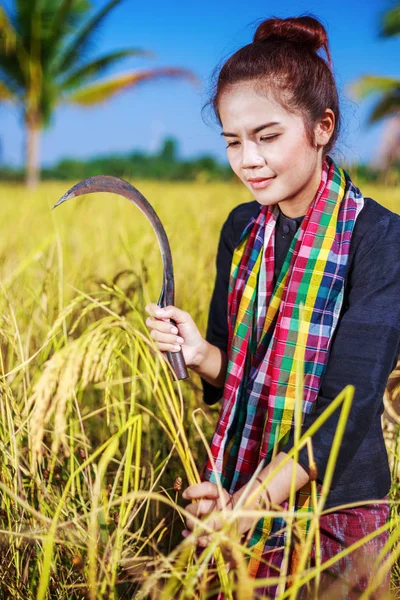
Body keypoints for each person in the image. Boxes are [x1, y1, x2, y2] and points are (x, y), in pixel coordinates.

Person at [145, 15, 400, 598]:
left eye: (267, 135)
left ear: (321, 128)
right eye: (233, 140)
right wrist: (200, 352)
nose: (248, 159)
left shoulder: (382, 240)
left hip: (340, 515)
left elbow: (344, 410)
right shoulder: (241, 230)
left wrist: (243, 506)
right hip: (237, 489)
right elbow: (233, 372)